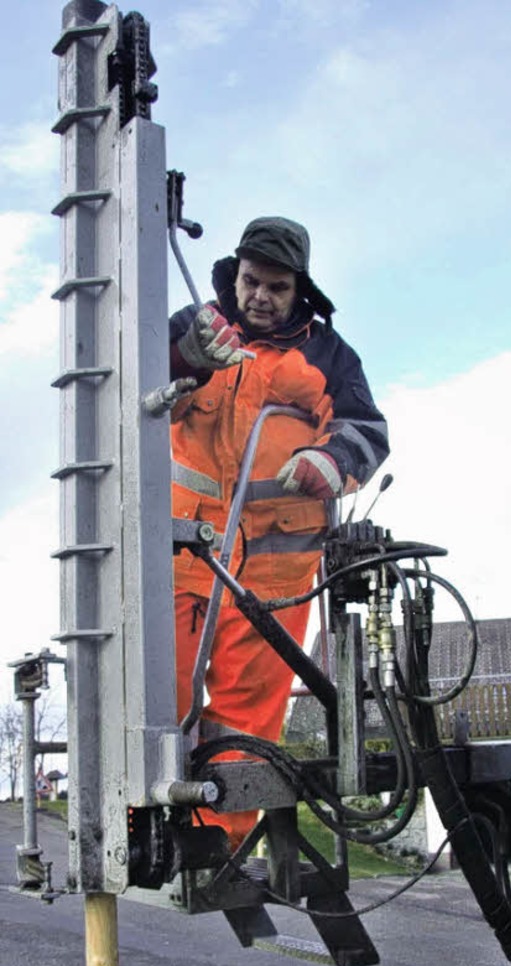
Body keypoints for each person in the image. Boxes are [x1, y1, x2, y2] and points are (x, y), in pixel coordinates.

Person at [169, 215, 389, 848]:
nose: (259, 296)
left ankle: (216, 849)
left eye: (276, 287)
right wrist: (186, 359)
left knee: (246, 720)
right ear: (234, 275)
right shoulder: (197, 327)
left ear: (300, 290)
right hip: (182, 560)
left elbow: (366, 431)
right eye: (250, 281)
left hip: (273, 577)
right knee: (157, 706)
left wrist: (331, 459)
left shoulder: (328, 355)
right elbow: (135, 386)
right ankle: (149, 833)